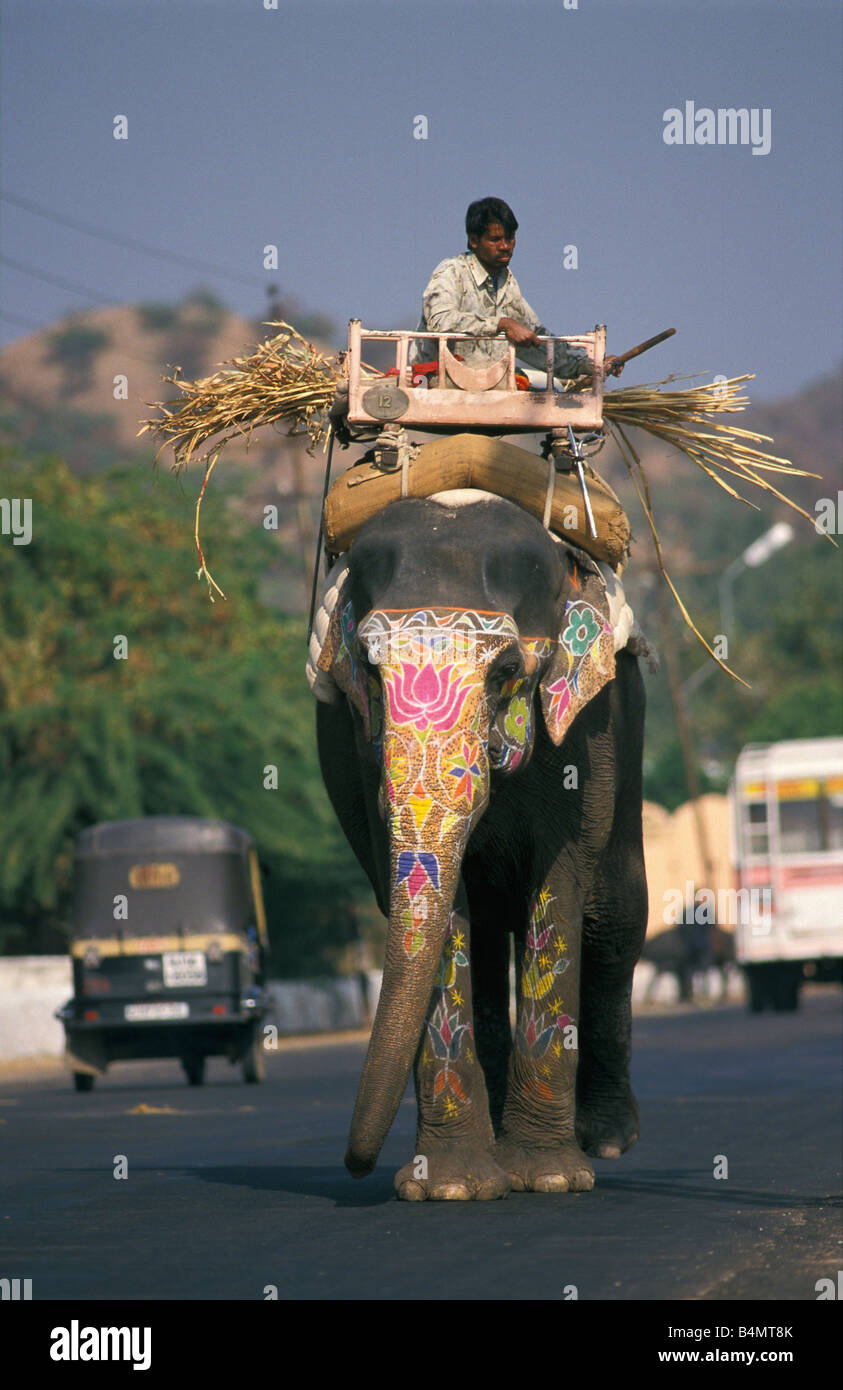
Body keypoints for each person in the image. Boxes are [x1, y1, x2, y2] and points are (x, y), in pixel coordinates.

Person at [409, 197, 624, 384]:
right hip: (434, 380)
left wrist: (589, 366)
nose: (505, 246)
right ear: (474, 240)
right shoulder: (451, 271)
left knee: (546, 390)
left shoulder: (506, 281)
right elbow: (440, 322)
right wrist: (502, 324)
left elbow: (535, 337)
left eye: (510, 239)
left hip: (486, 383)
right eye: (495, 240)